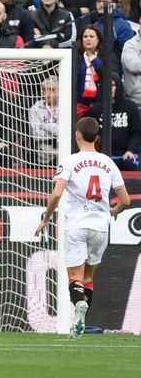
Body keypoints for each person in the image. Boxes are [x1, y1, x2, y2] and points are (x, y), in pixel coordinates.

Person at [35, 117, 130, 339]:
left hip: (76, 225)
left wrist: (46, 219)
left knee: (74, 277)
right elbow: (125, 199)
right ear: (96, 138)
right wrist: (113, 212)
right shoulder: (108, 163)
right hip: (100, 227)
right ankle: (81, 322)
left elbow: (57, 193)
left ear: (77, 136)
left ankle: (78, 306)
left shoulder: (69, 161)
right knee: (88, 277)